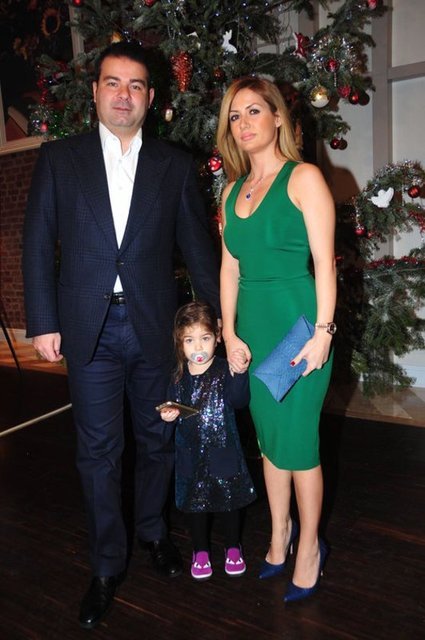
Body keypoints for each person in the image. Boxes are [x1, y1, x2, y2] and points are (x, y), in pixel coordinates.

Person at [22, 41, 220, 629]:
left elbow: (198, 250)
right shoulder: (60, 159)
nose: (124, 95)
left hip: (157, 331)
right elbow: (38, 243)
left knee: (158, 439)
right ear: (95, 92)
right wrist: (43, 321)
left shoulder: (174, 165)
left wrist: (215, 323)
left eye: (135, 85)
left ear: (150, 97)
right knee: (98, 453)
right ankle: (107, 564)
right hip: (88, 332)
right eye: (113, 83)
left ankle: (154, 533)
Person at [217, 76, 336, 603]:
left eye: (253, 111)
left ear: (278, 117)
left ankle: (309, 547)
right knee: (269, 444)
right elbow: (229, 269)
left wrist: (324, 333)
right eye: (234, 116)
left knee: (299, 444)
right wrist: (229, 332)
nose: (243, 123)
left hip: (299, 329)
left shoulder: (303, 178)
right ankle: (279, 534)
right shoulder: (231, 191)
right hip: (255, 331)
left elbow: (326, 264)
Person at [160, 301, 256, 581]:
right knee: (195, 504)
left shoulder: (225, 369)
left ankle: (233, 546)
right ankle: (200, 550)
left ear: (217, 337)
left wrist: (240, 374)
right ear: (180, 343)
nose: (198, 347)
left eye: (205, 338)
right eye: (189, 340)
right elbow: (172, 407)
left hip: (222, 449)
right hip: (190, 453)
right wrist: (168, 415)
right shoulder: (178, 376)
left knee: (229, 501)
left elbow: (239, 401)